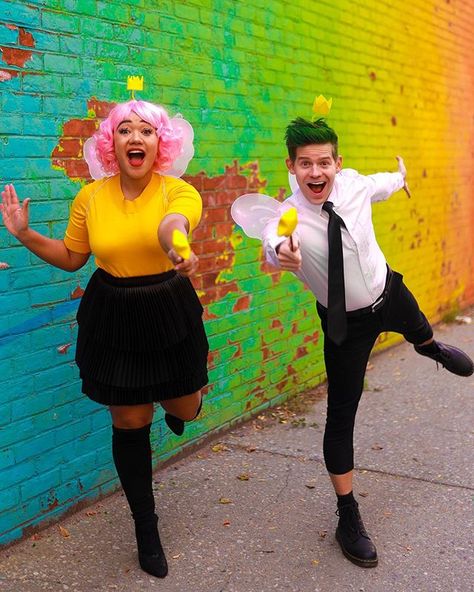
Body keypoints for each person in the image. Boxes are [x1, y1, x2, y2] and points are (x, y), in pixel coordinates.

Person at [0, 98, 209, 578]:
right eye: (125, 130)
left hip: (167, 306)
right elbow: (74, 256)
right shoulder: (90, 198)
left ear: (162, 143)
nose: (136, 138)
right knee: (130, 419)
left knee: (184, 406)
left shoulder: (179, 191)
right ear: (111, 143)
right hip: (113, 311)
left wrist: (179, 246)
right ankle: (146, 528)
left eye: (147, 131)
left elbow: (172, 225)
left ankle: (178, 404)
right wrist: (26, 235)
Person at [261, 116, 473, 568]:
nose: (315, 173)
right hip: (346, 326)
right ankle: (347, 514)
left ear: (338, 163)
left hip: (388, 293)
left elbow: (382, 183)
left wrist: (401, 178)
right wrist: (282, 254)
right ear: (291, 168)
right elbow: (272, 242)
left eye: (323, 162)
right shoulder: (287, 215)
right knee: (342, 415)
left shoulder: (355, 184)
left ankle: (430, 348)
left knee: (419, 328)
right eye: (304, 164)